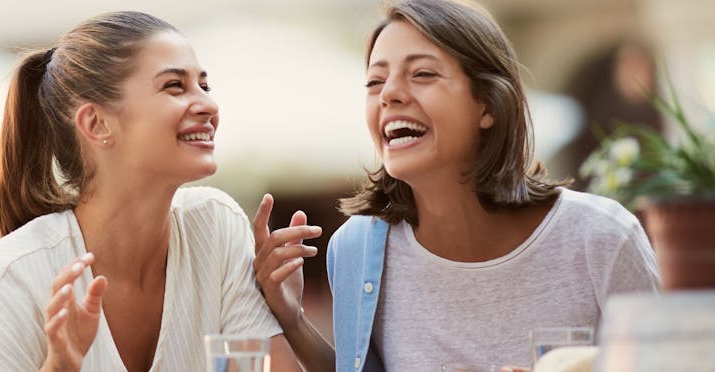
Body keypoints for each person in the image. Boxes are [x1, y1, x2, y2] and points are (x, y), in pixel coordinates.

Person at [252, 1, 661, 371]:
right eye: (376, 82)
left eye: (422, 74)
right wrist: (293, 319)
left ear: (487, 104)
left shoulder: (602, 238)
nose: (390, 94)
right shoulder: (357, 250)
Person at [0, 11, 287, 372]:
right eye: (174, 86)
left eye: (204, 86)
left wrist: (292, 316)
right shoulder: (9, 284)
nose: (210, 106)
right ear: (97, 123)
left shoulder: (215, 229)